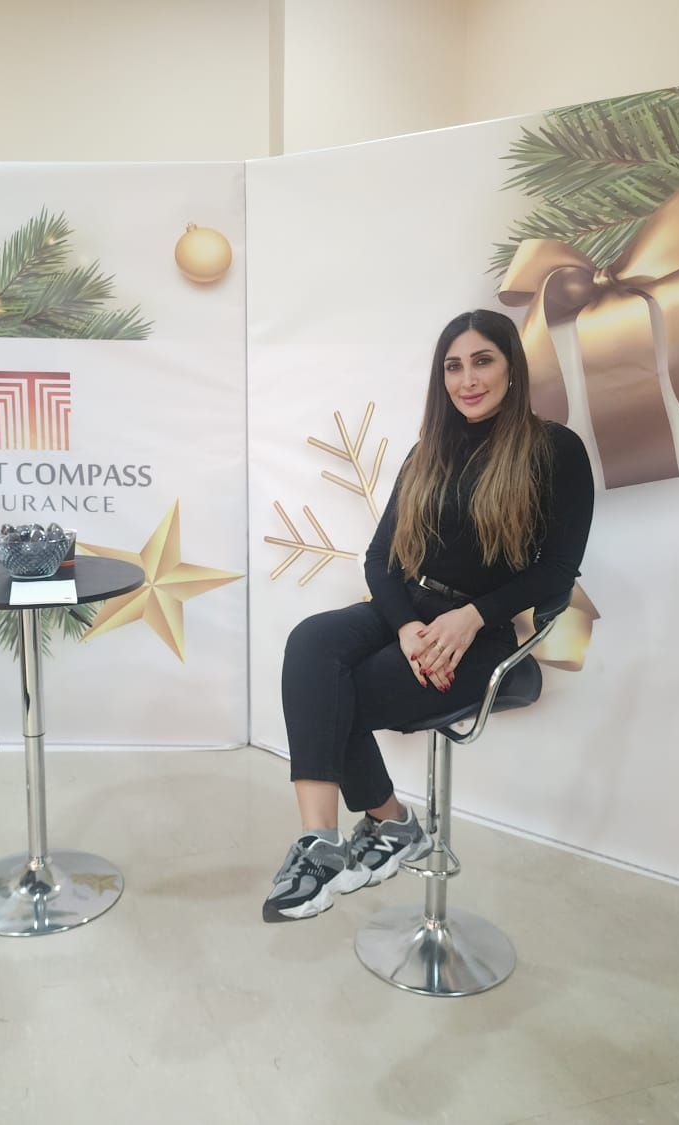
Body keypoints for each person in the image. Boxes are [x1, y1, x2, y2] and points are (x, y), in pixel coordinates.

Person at [265, 309, 594, 922]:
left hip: (485, 634)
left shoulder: (555, 449)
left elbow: (555, 573)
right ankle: (321, 845)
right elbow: (380, 560)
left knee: (342, 694)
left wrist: (470, 617)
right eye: (453, 366)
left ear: (511, 367)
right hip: (412, 610)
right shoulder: (428, 452)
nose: (467, 379)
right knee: (311, 643)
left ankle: (392, 826)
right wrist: (405, 627)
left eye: (482, 361)